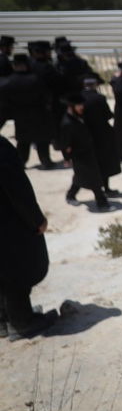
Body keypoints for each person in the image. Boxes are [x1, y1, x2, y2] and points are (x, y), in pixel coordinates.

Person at [0, 135, 57, 339]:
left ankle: (3, 321)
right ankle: (21, 322)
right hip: (8, 223)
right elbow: (17, 189)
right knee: (17, 269)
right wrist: (36, 219)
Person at [58, 93, 110, 210]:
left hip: (88, 152)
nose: (82, 107)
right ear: (71, 107)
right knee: (93, 178)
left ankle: (70, 195)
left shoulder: (79, 117)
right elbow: (65, 144)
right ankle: (102, 202)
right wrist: (66, 158)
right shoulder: (67, 123)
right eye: (78, 105)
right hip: (79, 155)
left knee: (81, 176)